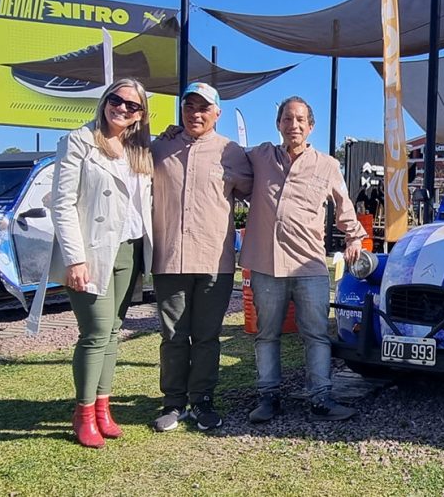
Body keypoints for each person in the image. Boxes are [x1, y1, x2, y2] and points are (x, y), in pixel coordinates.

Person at [34, 78, 154, 448]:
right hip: (92, 251)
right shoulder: (78, 141)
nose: (122, 108)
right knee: (95, 332)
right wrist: (75, 259)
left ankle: (103, 408)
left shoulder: (138, 149)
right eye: (117, 100)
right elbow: (63, 203)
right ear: (105, 101)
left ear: (140, 114)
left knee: (113, 331)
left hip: (129, 249)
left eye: (132, 105)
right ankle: (83, 412)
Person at [235, 96, 366, 423]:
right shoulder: (260, 156)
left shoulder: (327, 165)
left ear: (310, 126)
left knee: (316, 334)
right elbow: (222, 153)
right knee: (266, 334)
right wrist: (177, 133)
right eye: (287, 119)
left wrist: (354, 236)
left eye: (300, 120)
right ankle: (268, 397)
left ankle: (321, 398)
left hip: (309, 265)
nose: (293, 125)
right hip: (266, 264)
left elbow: (344, 204)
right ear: (278, 124)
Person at [149, 82, 252, 433]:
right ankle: (173, 402)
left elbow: (257, 190)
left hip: (214, 261)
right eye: (189, 106)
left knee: (207, 337)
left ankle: (203, 400)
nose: (195, 113)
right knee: (173, 337)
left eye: (204, 107)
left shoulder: (231, 152)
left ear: (217, 113)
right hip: (169, 259)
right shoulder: (160, 147)